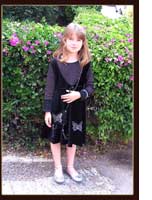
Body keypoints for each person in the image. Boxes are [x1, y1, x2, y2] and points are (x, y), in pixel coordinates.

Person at [43, 23, 94, 184]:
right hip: (57, 107)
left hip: (76, 108)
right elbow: (49, 87)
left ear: (83, 43)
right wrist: (47, 110)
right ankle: (58, 167)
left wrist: (79, 94)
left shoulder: (85, 63)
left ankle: (70, 167)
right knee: (55, 137)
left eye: (78, 40)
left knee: (72, 139)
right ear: (64, 40)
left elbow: (90, 87)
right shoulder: (56, 62)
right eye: (71, 39)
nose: (74, 43)